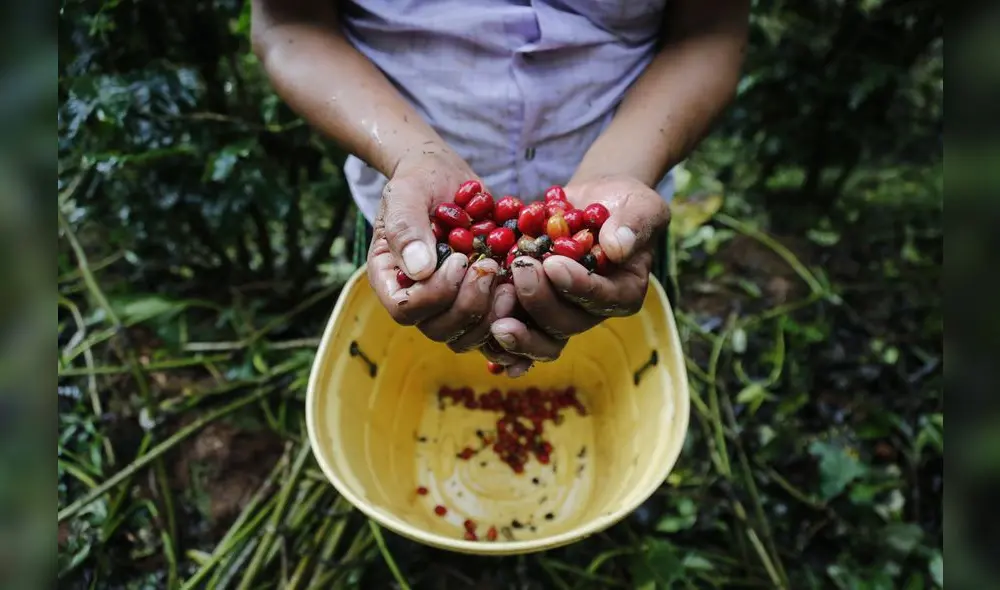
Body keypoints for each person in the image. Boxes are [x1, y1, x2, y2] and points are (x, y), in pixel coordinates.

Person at [251, 0, 749, 377]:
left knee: (626, 377)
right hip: (407, 210)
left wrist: (625, 168)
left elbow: (710, 28)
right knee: (405, 364)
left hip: (626, 215)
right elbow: (291, 22)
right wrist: (408, 153)